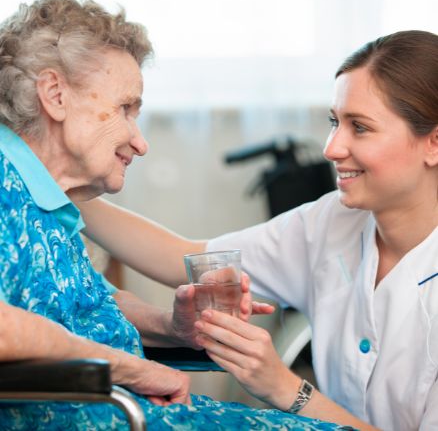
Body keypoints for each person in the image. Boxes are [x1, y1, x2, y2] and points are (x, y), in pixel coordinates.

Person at [0, 0, 351, 430]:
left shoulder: (45, 198)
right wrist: (132, 369)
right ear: (55, 95)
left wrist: (174, 328)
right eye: (126, 108)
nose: (140, 142)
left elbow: (82, 306)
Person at [79, 30, 438, 431]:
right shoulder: (332, 221)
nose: (332, 148)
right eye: (334, 122)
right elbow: (182, 255)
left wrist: (286, 388)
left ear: (433, 143)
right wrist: (61, 186)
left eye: (361, 128)